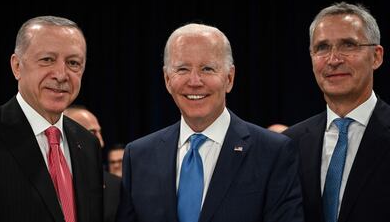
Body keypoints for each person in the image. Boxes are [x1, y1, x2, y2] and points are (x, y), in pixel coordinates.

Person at [116, 23, 303, 222]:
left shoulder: (273, 153)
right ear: (167, 79)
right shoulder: (138, 156)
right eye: (182, 69)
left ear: (229, 78)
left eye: (207, 68)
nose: (194, 81)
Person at [283, 2, 390, 222]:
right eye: (322, 48)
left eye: (348, 45)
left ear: (376, 56)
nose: (333, 60)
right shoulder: (289, 144)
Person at [0, 16, 103, 222]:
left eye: (73, 63)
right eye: (47, 59)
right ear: (17, 66)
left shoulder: (88, 145)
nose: (61, 74)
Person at [64, 105, 121, 222]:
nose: (101, 142)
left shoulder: (117, 186)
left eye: (99, 132)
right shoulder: (44, 180)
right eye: (92, 132)